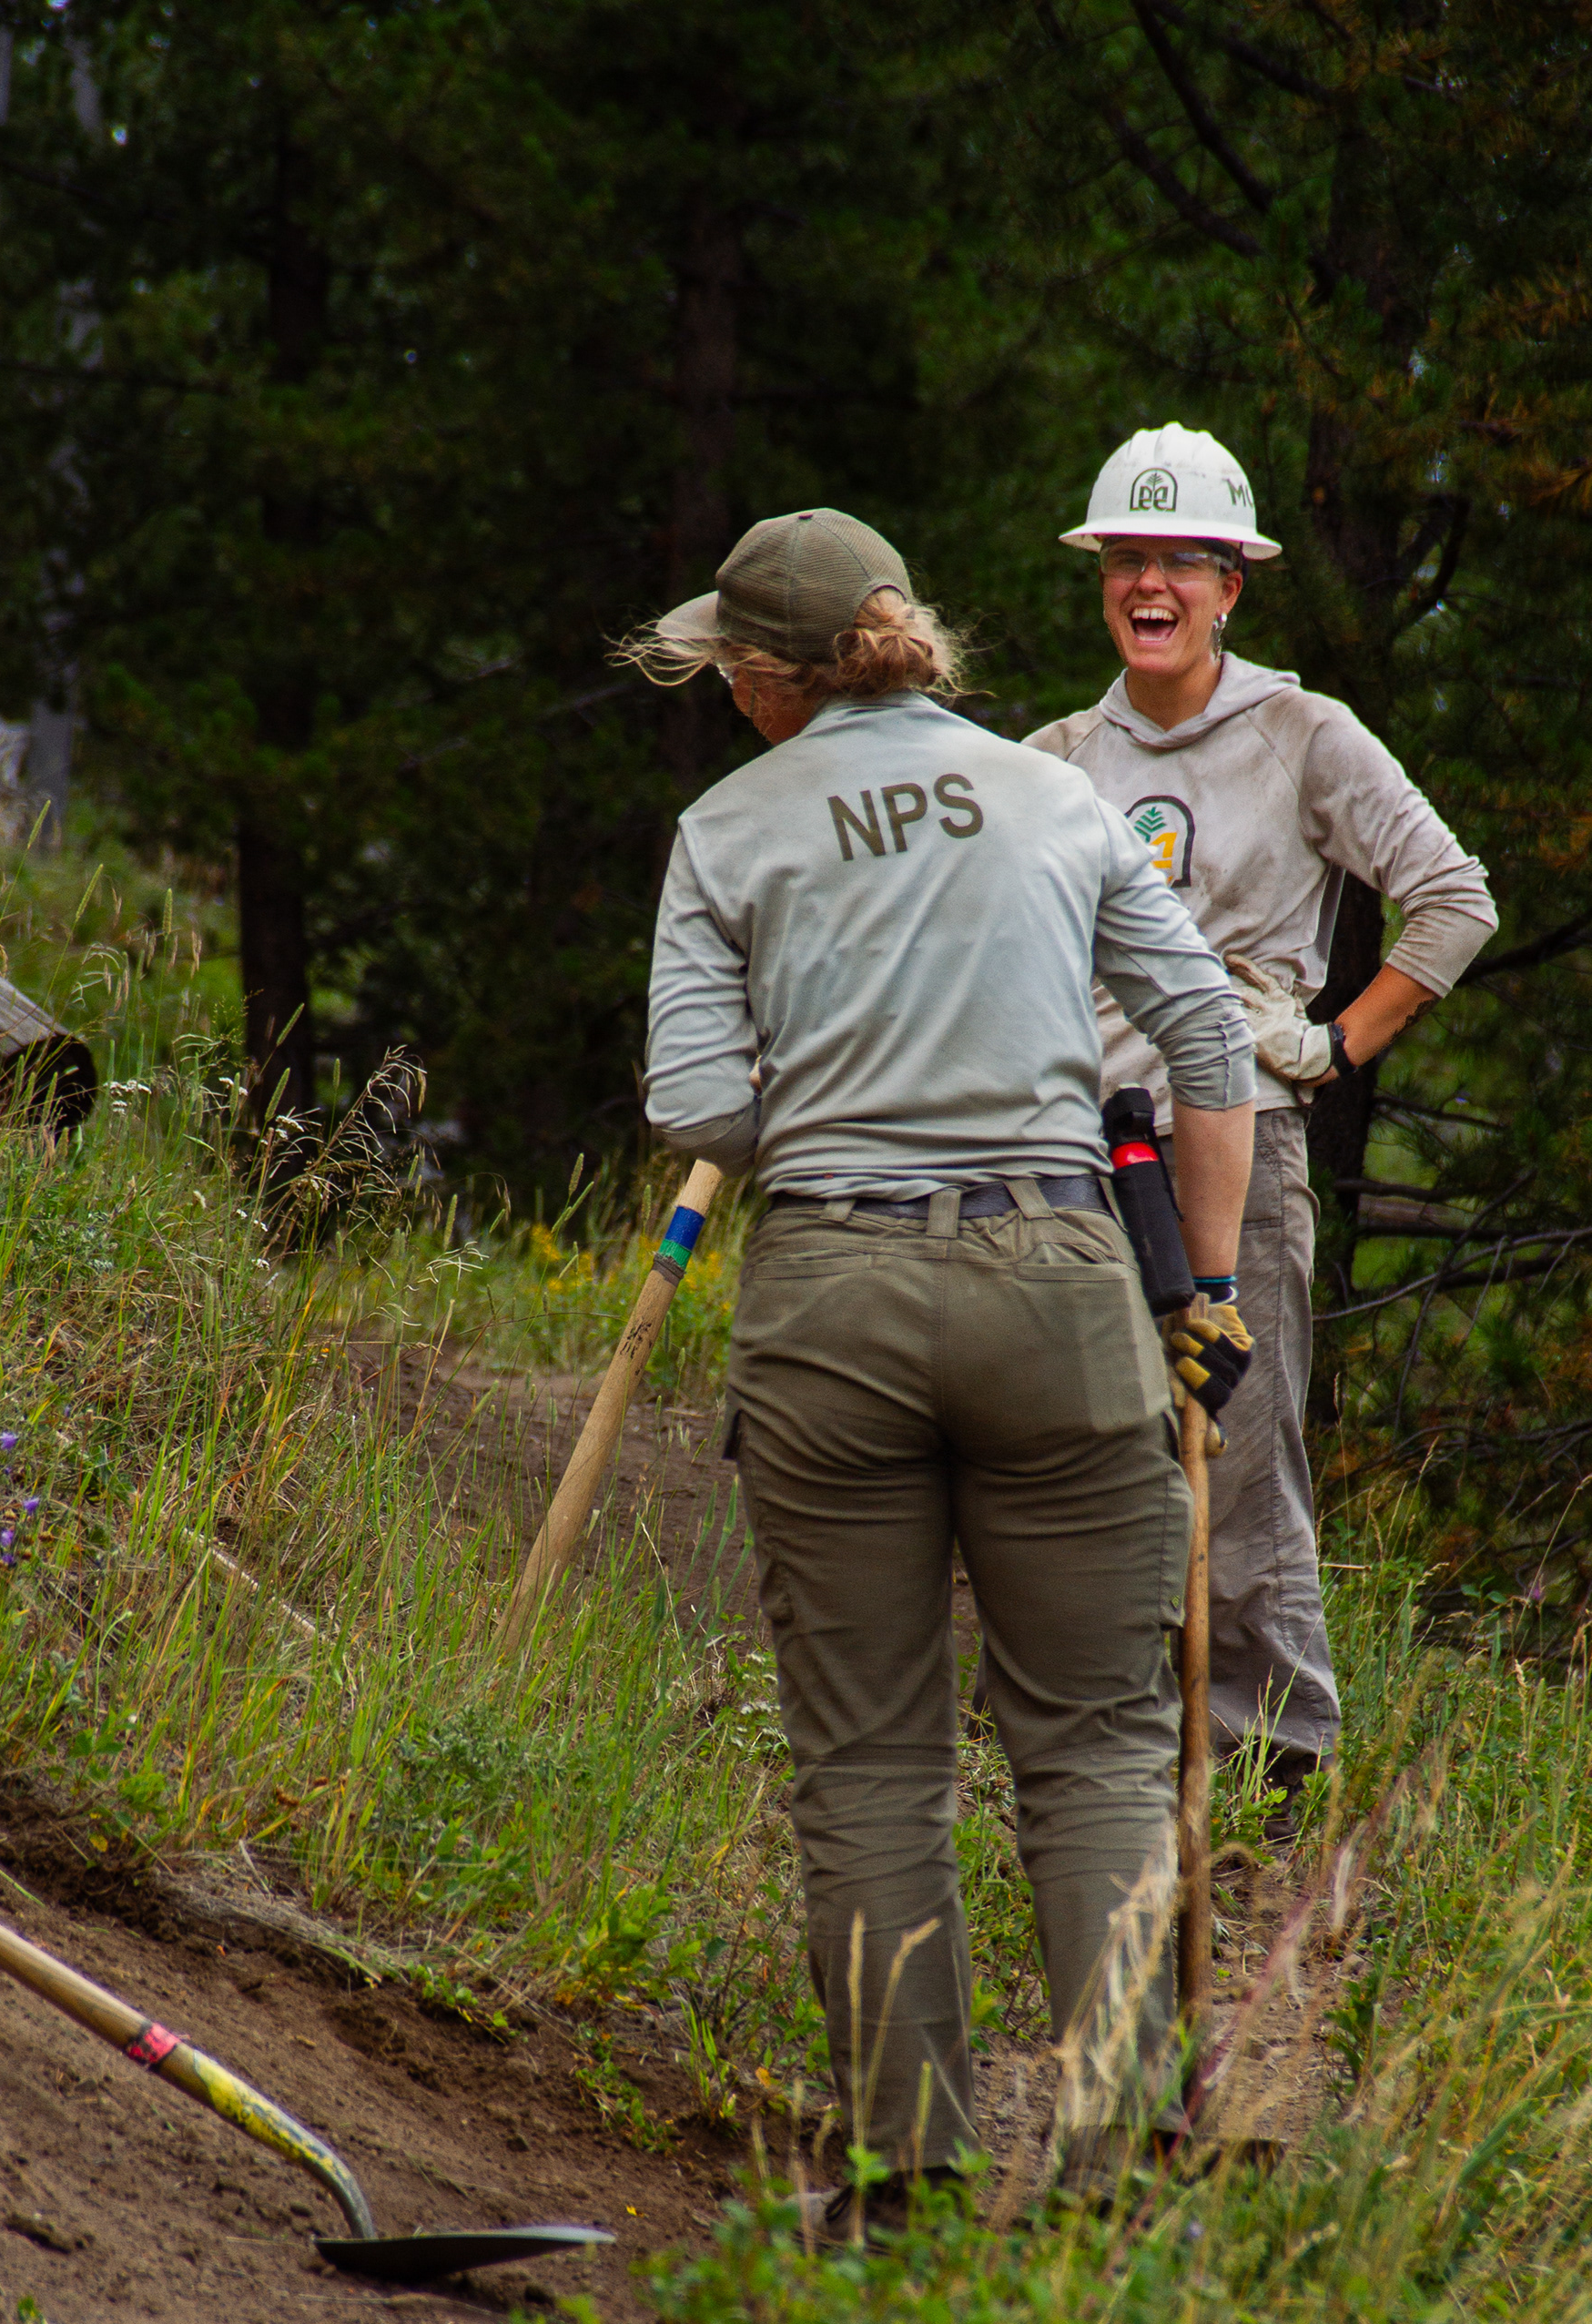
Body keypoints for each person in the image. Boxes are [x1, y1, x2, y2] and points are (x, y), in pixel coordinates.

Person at [628, 506, 1257, 2225]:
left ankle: (907, 2180)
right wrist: (1200, 1282)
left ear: (765, 678)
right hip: (1060, 1280)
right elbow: (1208, 1035)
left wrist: (836, 1085)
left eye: (726, 677)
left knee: (871, 1761)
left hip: (831, 1291)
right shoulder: (1054, 794)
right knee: (1101, 1746)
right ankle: (1121, 2163)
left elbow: (700, 1111)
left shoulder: (724, 829)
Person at [1028, 427, 1498, 1832]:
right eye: (1129, 558)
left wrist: (1335, 1046)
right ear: (1102, 580)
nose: (1152, 583)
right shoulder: (1052, 760)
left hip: (1245, 1143)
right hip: (1080, 1147)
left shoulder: (1304, 733)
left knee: (1236, 1453)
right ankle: (1122, 1751)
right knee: (1087, 1447)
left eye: (1184, 559)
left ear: (1236, 585)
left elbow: (1455, 901)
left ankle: (1277, 1770)